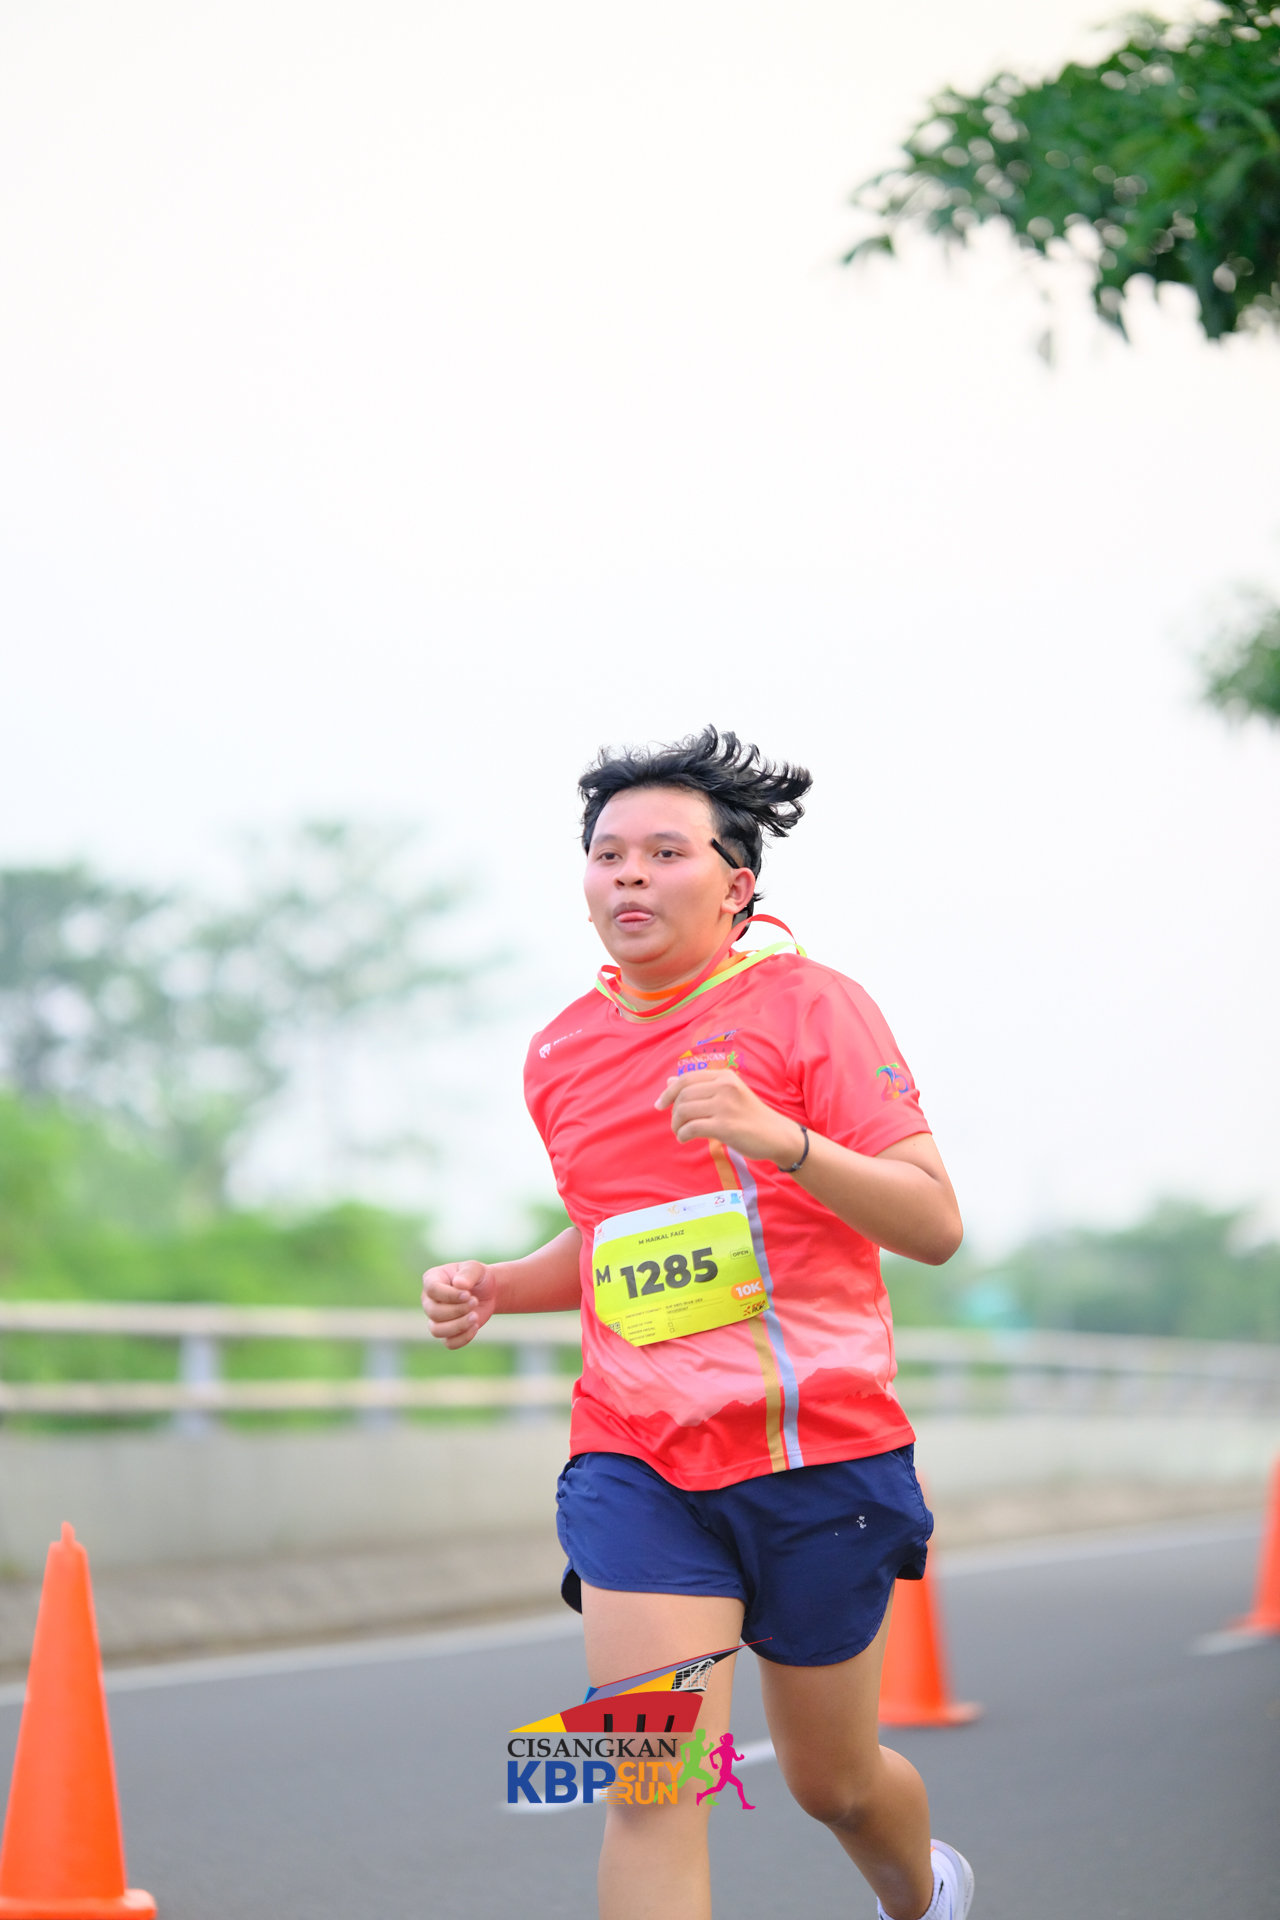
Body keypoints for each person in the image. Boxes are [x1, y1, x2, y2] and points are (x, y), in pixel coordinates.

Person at [423, 727, 974, 1920]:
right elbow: (615, 1240)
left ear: (735, 886)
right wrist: (500, 1285)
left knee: (832, 1784)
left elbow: (932, 1224)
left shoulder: (814, 1008)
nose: (628, 872)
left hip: (818, 1456)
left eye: (664, 852)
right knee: (650, 1781)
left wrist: (782, 1139)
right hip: (636, 1459)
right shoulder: (560, 1052)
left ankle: (922, 1894)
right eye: (607, 853)